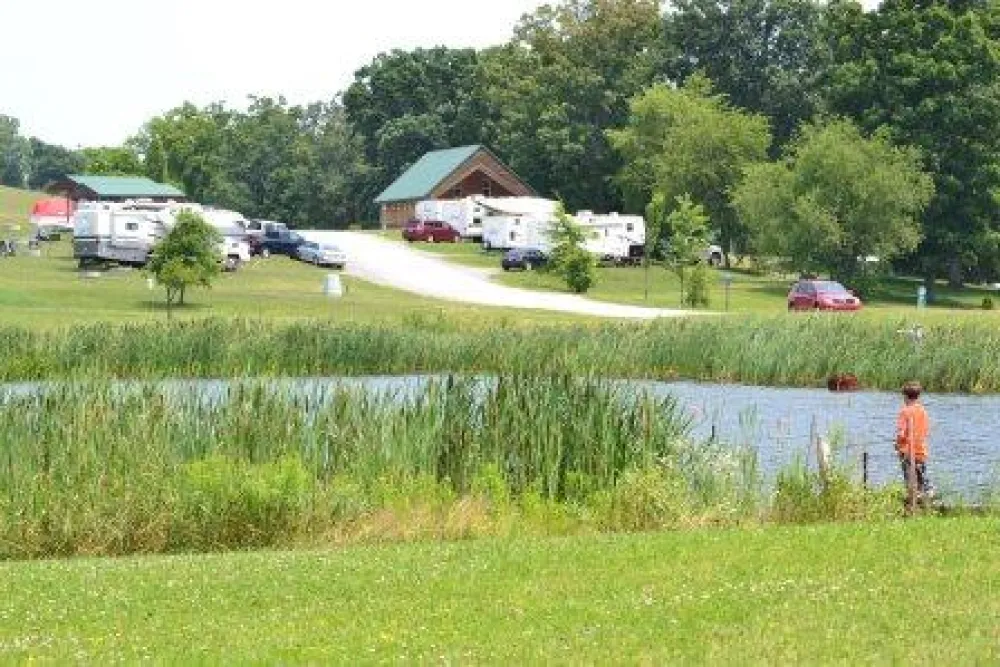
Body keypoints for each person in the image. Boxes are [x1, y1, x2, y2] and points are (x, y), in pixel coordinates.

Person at [896, 381, 933, 500]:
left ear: (905, 396)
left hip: (907, 451)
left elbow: (901, 433)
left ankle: (912, 502)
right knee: (921, 477)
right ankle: (925, 497)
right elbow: (926, 430)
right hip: (921, 449)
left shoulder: (904, 411)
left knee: (910, 479)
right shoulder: (923, 411)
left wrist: (897, 444)